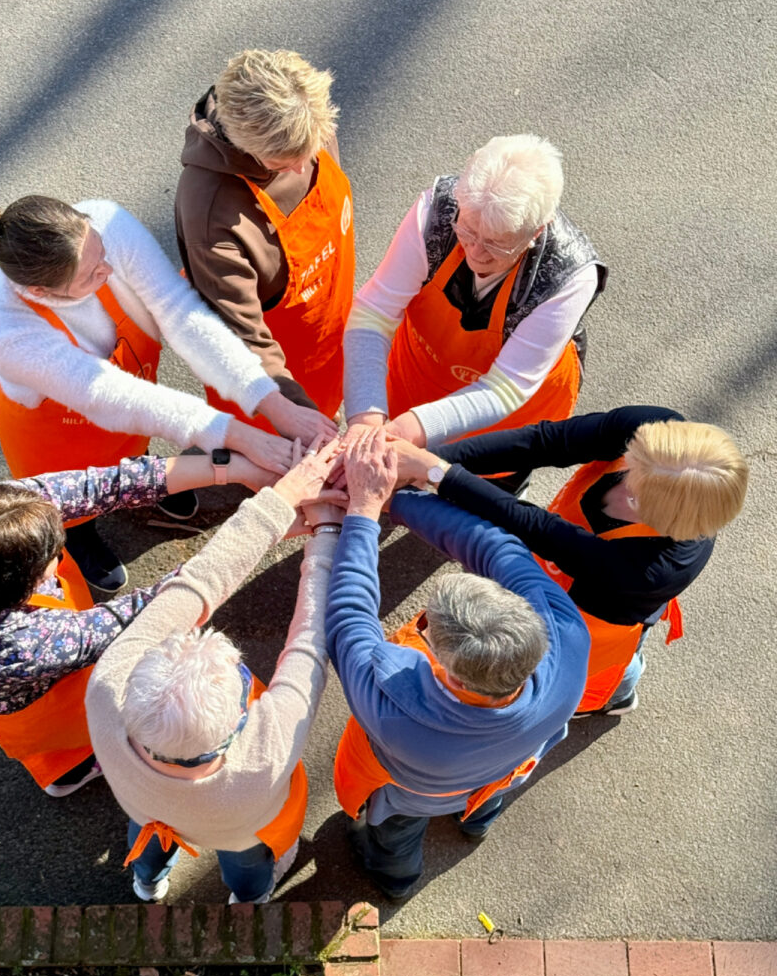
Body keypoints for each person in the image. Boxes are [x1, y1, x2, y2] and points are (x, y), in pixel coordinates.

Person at [0, 196, 316, 592]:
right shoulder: (4, 326)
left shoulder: (107, 223)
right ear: (41, 289)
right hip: (55, 437)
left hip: (128, 414)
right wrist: (243, 436)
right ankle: (78, 537)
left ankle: (142, 488)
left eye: (101, 249)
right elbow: (111, 396)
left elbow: (178, 311)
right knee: (73, 500)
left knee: (133, 448)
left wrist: (268, 398)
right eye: (92, 274)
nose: (109, 269)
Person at [326, 429, 589, 899]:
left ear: (445, 666)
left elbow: (349, 616)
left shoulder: (394, 709)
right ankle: (479, 819)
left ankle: (397, 878)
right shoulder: (569, 639)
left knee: (396, 834)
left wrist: (367, 508)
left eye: (426, 630)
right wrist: (393, 500)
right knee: (490, 791)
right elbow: (498, 549)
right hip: (507, 762)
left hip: (415, 793)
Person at [0, 451, 273, 795]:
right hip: (37, 705)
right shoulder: (18, 646)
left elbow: (97, 486)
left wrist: (231, 468)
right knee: (75, 729)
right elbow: (151, 609)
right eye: (52, 555)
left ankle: (63, 768)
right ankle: (69, 773)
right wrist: (260, 529)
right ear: (26, 585)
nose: (62, 547)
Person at [86, 439, 344, 903]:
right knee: (248, 869)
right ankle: (248, 900)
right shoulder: (261, 761)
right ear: (234, 726)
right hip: (238, 833)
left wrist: (283, 504)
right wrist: (323, 533)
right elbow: (305, 648)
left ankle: (147, 883)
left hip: (146, 808)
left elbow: (199, 586)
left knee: (147, 839)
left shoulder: (106, 688)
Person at [392, 406, 749, 714]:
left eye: (635, 489)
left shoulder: (648, 571)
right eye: (632, 460)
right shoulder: (654, 433)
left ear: (662, 519)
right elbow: (543, 442)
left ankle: (618, 690)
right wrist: (423, 462)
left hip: (591, 618)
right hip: (558, 567)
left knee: (564, 685)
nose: (624, 473)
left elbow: (537, 528)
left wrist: (436, 473)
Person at [343, 135, 607, 475]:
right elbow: (373, 314)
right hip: (423, 370)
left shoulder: (571, 275)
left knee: (480, 483)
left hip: (506, 409)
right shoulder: (437, 212)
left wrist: (406, 431)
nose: (475, 253)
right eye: (467, 231)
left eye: (497, 245)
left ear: (537, 231)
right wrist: (366, 419)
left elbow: (505, 387)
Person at [175, 49, 354, 430]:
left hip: (330, 337)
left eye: (311, 149)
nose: (304, 167)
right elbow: (243, 340)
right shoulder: (212, 213)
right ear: (246, 145)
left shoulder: (304, 125)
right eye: (284, 164)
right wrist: (299, 416)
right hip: (269, 383)